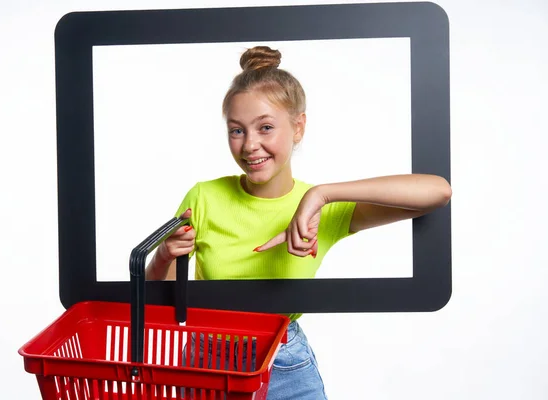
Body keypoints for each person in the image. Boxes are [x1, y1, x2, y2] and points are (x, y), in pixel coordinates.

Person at [146, 45, 452, 399]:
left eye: (265, 127)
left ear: (298, 127)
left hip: (283, 363)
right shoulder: (203, 197)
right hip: (207, 360)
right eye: (237, 131)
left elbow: (437, 191)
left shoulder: (323, 211)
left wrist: (321, 195)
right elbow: (157, 304)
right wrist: (166, 256)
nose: (250, 146)